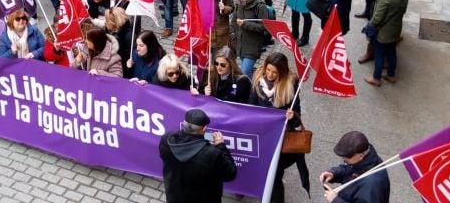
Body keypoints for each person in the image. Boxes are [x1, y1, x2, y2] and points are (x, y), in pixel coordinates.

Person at [248, 53, 308, 203]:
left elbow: (297, 113)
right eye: (268, 70)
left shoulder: (291, 84)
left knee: (274, 175)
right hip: (260, 136)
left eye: (274, 72)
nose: (270, 75)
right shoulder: (258, 78)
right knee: (262, 171)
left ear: (282, 72)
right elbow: (251, 105)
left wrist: (291, 115)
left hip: (278, 139)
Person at [159, 108, 237, 203]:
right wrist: (221, 146)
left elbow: (190, 137)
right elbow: (230, 174)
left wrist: (207, 137)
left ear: (184, 123)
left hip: (175, 196)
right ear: (204, 128)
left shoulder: (167, 140)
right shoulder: (212, 154)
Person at [363, 0, 409, 86]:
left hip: (382, 32)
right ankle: (391, 75)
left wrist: (370, 27)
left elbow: (377, 18)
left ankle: (376, 78)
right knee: (391, 52)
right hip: (395, 29)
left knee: (379, 55)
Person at [320, 131, 390, 203]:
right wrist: (334, 174)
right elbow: (349, 168)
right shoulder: (368, 159)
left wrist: (335, 200)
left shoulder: (372, 184)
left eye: (347, 158)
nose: (344, 160)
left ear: (360, 156)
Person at [229, 0, 269, 78]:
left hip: (252, 47)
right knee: (248, 74)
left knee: (244, 73)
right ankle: (255, 88)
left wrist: (245, 24)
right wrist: (233, 35)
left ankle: (249, 91)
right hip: (240, 45)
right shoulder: (239, 3)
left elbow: (265, 26)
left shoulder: (260, 6)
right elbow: (233, 21)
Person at [104, 7, 132, 73]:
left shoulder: (128, 37)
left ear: (114, 22)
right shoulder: (109, 30)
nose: (105, 22)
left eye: (107, 20)